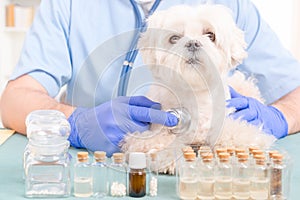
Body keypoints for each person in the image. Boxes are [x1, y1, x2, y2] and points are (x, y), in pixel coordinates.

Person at [1, 0, 300, 156]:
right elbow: (14, 100)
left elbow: (295, 91)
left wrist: (280, 117)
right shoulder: (67, 3)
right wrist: (76, 122)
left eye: (207, 36)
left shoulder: (230, 4)